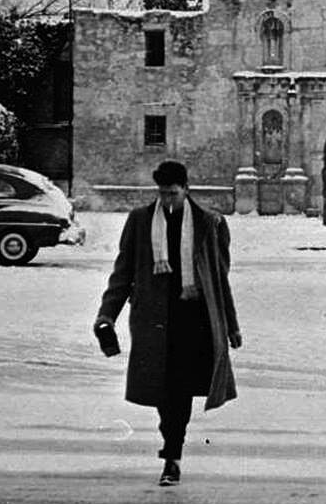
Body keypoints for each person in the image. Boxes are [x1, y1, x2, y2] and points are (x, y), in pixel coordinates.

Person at [94, 160, 242, 487]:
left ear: (186, 190)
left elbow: (220, 280)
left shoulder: (209, 223)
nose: (167, 200)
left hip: (196, 318)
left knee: (181, 387)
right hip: (154, 320)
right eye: (162, 194)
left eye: (173, 193)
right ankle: (171, 443)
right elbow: (123, 273)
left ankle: (172, 453)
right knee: (164, 389)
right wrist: (107, 314)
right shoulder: (140, 221)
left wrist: (231, 325)